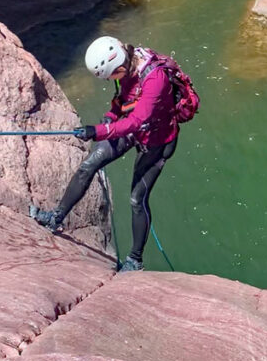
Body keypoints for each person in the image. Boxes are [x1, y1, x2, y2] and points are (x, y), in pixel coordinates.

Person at [33, 36, 180, 273]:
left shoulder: (155, 78)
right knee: (88, 165)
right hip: (135, 129)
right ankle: (55, 218)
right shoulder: (129, 64)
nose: (110, 81)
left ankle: (135, 260)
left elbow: (136, 121)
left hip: (157, 141)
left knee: (136, 199)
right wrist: (111, 117)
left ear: (119, 67)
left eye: (110, 76)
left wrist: (98, 131)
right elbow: (124, 100)